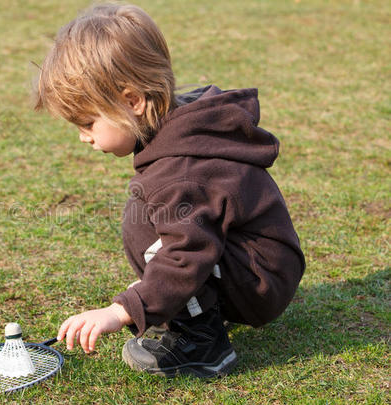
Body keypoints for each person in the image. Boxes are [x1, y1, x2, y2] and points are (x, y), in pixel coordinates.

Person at [34, 3, 305, 378]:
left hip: (259, 281)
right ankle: (190, 311)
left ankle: (202, 344)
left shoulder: (179, 173)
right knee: (145, 219)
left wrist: (122, 310)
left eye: (87, 122)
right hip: (256, 266)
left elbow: (186, 253)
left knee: (154, 232)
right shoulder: (179, 126)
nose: (83, 137)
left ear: (132, 102)